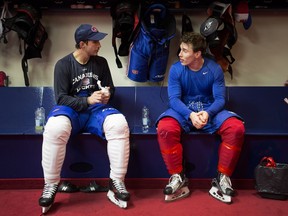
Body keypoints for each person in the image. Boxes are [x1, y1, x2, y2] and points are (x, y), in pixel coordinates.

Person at [38, 24, 131, 213]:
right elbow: (61, 98)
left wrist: (106, 94)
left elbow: (110, 88)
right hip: (72, 110)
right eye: (95, 41)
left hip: (95, 110)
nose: (99, 45)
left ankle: (117, 181)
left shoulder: (101, 63)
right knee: (54, 128)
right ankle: (50, 184)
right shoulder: (63, 65)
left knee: (119, 124)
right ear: (82, 44)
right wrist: (87, 100)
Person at [156, 32, 245, 203]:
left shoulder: (214, 69)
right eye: (180, 50)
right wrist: (190, 114)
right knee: (165, 128)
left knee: (236, 128)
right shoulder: (176, 69)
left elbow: (220, 99)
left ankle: (222, 177)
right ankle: (177, 176)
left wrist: (208, 113)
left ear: (197, 54)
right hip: (184, 111)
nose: (180, 54)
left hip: (209, 111)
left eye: (184, 50)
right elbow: (173, 99)